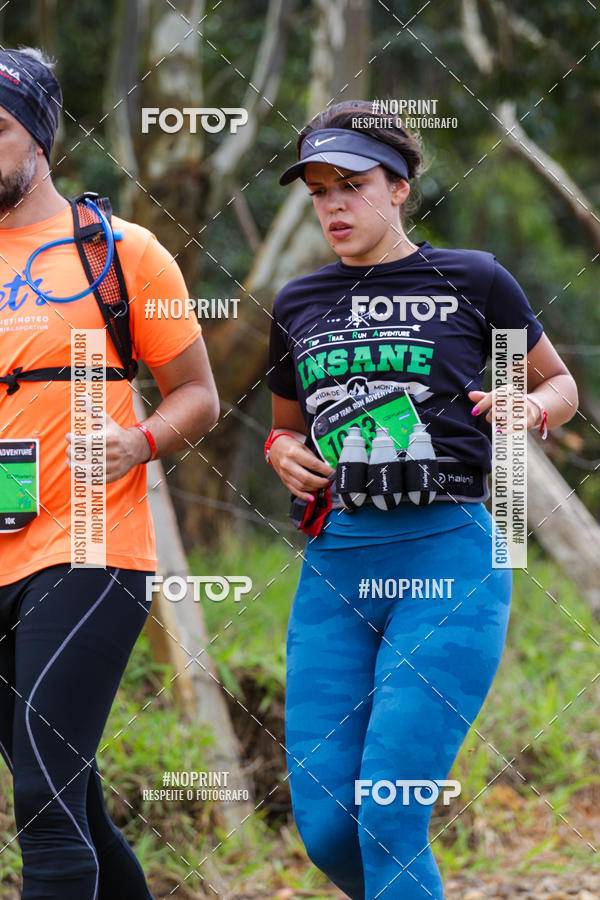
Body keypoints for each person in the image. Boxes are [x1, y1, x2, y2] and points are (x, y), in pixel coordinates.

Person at [265, 100, 578, 900]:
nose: (333, 205)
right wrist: (283, 455)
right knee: (328, 827)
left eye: (352, 185)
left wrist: (532, 408)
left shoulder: (472, 278)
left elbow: (557, 382)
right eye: (318, 191)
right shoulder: (299, 302)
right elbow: (284, 431)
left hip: (449, 559)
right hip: (336, 567)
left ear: (399, 188)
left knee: (389, 816)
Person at [0, 48, 219, 898]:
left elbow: (195, 394)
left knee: (44, 804)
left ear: (41, 137)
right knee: (72, 798)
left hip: (89, 545)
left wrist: (144, 440)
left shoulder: (124, 254)